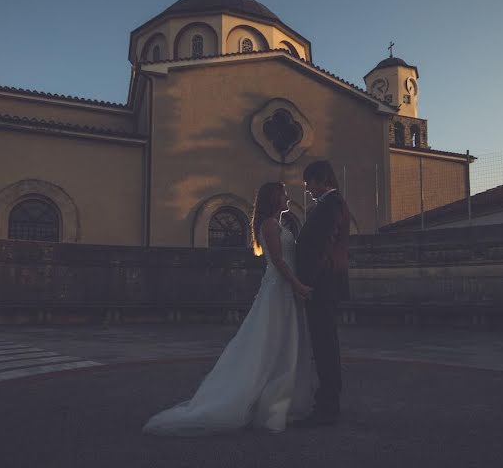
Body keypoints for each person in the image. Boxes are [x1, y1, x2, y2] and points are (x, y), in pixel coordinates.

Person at [142, 182, 317, 436]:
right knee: (272, 343)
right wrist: (299, 286)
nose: (287, 197)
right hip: (279, 291)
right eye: (283, 194)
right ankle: (267, 403)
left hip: (284, 291)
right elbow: (278, 261)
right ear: (273, 198)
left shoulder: (278, 225)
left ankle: (279, 400)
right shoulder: (269, 225)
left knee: (282, 343)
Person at [291, 160, 351, 427]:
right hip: (324, 283)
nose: (307, 189)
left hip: (322, 284)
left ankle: (328, 405)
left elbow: (323, 247)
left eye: (309, 183)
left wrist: (308, 284)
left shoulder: (331, 204)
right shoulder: (329, 204)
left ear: (322, 179)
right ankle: (327, 402)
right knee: (324, 343)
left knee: (325, 345)